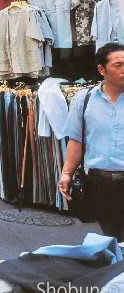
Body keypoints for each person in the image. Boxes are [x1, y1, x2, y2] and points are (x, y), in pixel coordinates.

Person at [59, 42, 124, 240]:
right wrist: (66, 173)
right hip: (101, 184)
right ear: (101, 69)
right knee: (112, 238)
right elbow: (76, 140)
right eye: (118, 65)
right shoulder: (84, 99)